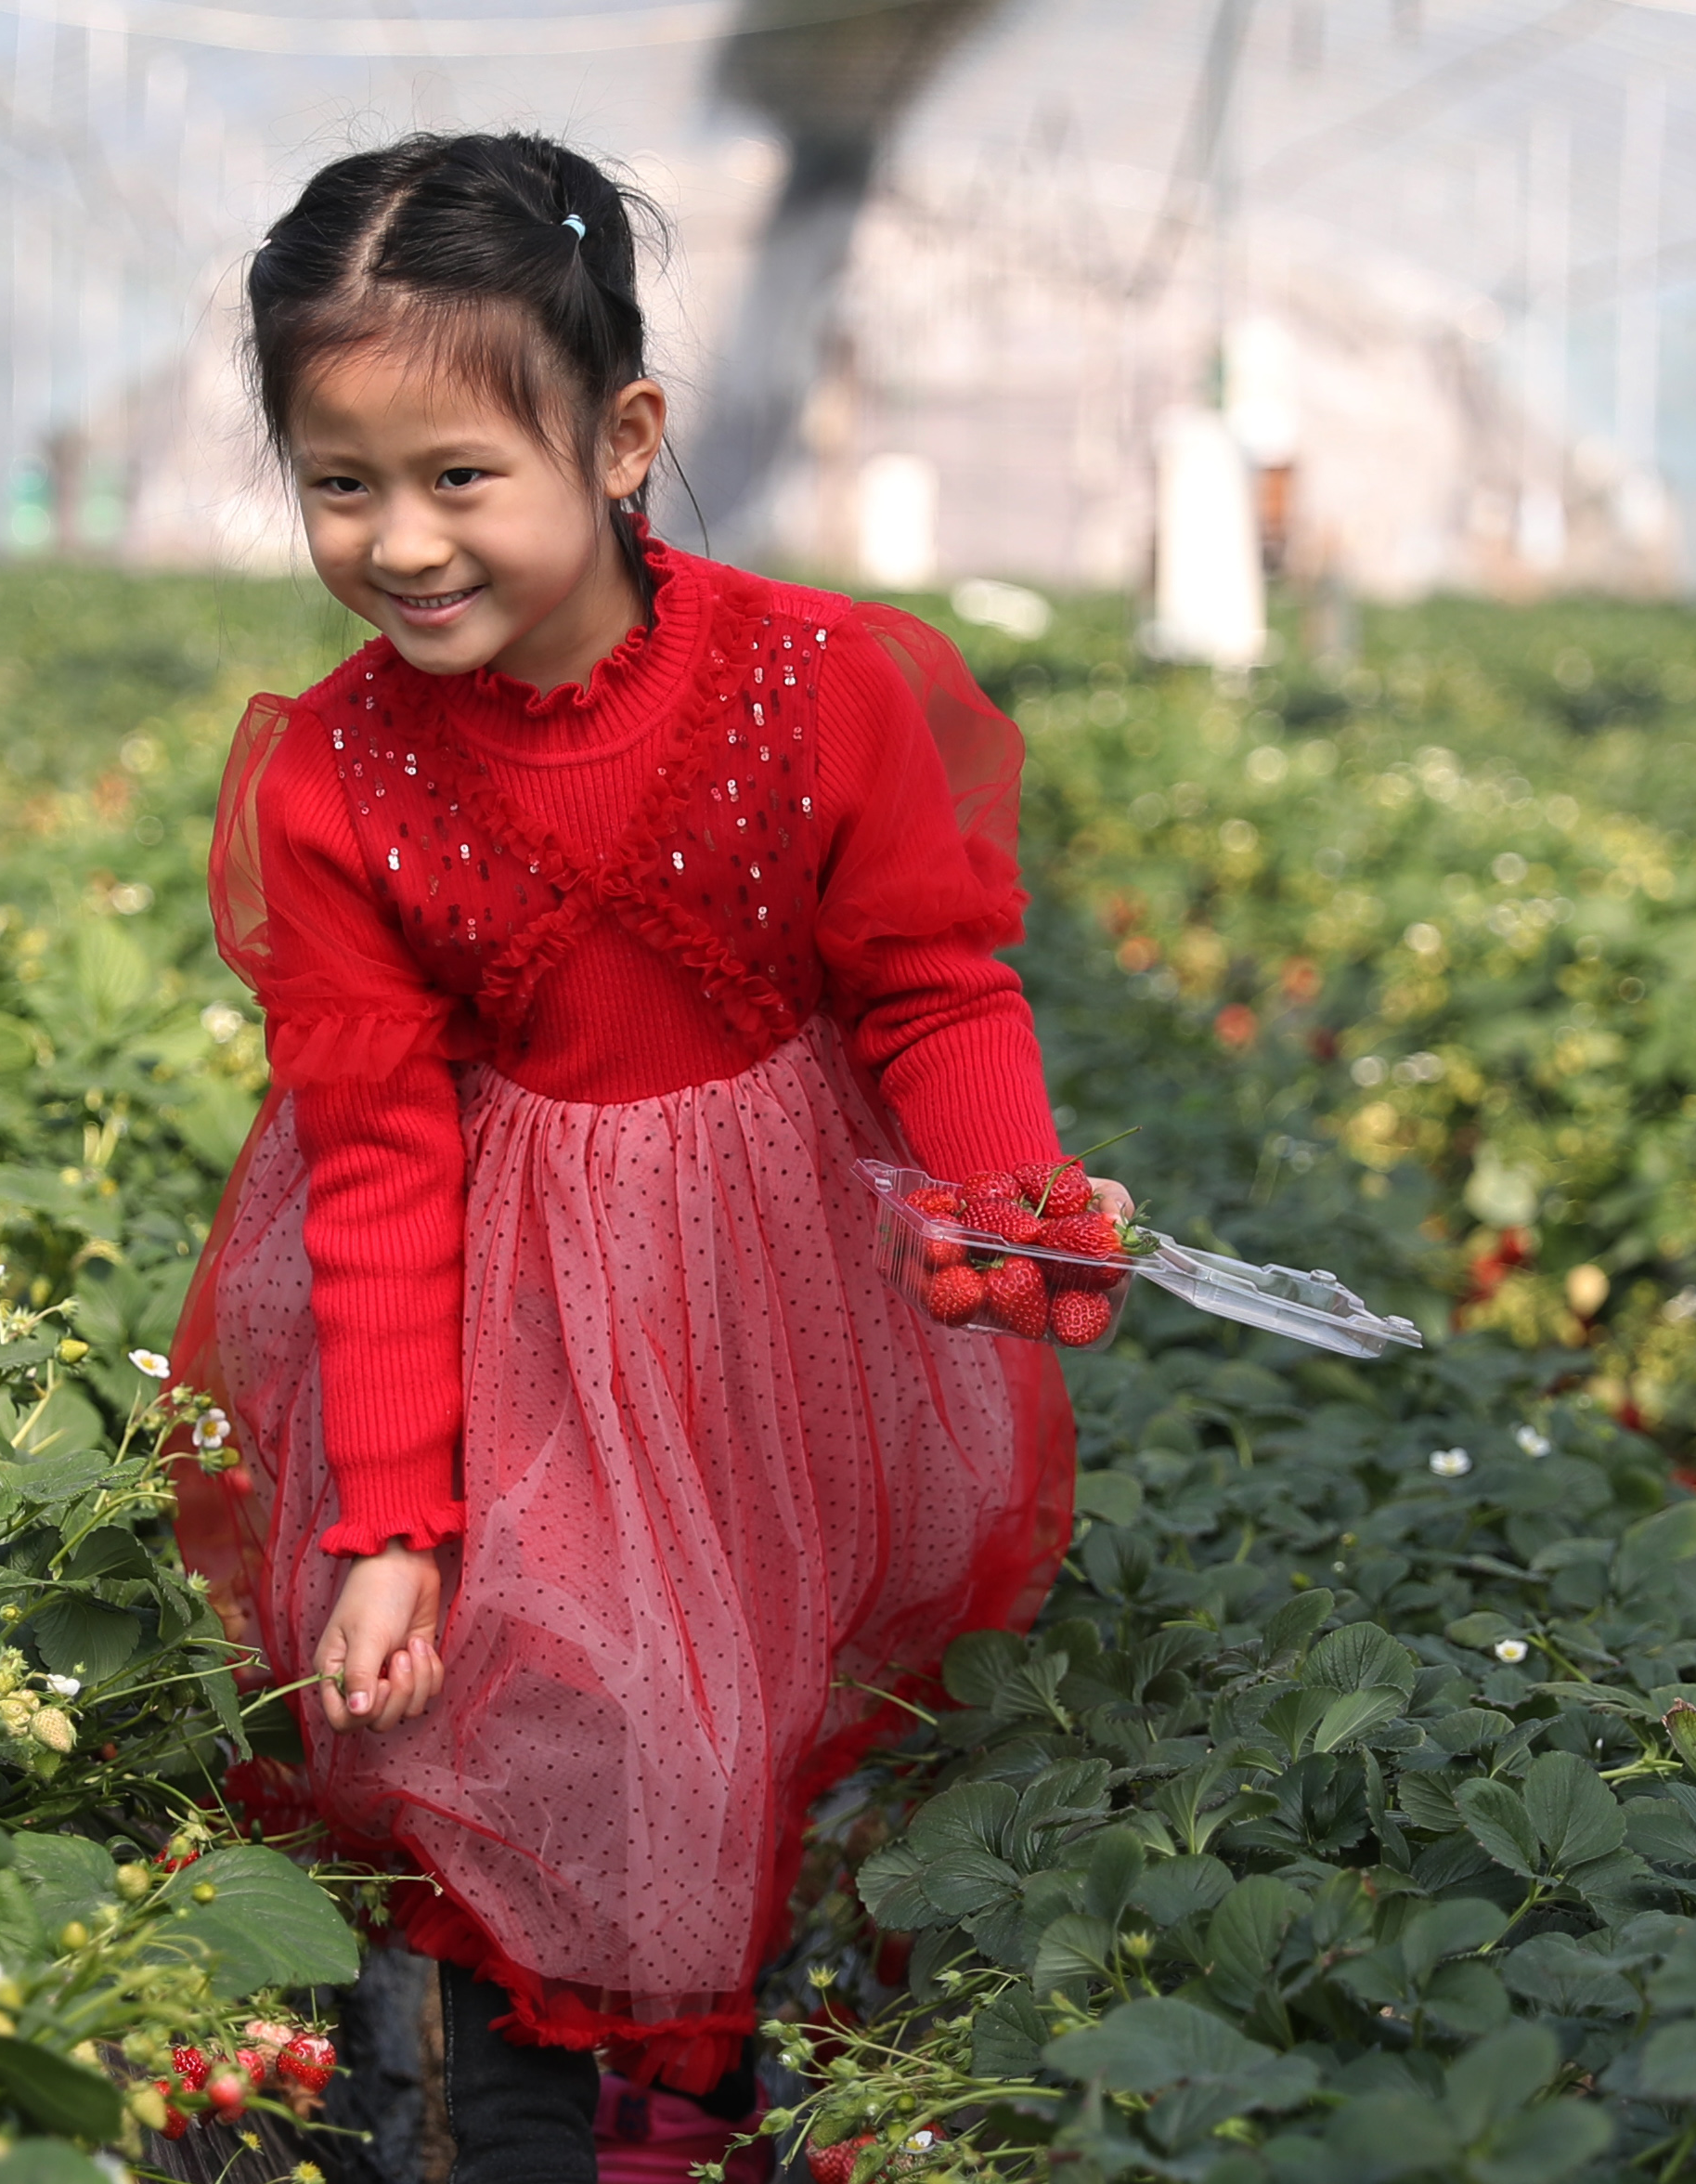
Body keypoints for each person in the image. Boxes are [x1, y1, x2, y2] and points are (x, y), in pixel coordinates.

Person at [164, 131, 1122, 2184]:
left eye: (458, 477)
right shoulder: (338, 776)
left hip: (779, 1311)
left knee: (747, 1716)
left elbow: (931, 986)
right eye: (341, 484)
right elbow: (378, 1159)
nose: (401, 542)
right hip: (510, 1322)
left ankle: (718, 2097)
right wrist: (392, 1518)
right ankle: (519, 2113)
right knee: (515, 1708)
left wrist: (1010, 1193)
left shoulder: (814, 690)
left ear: (621, 439)